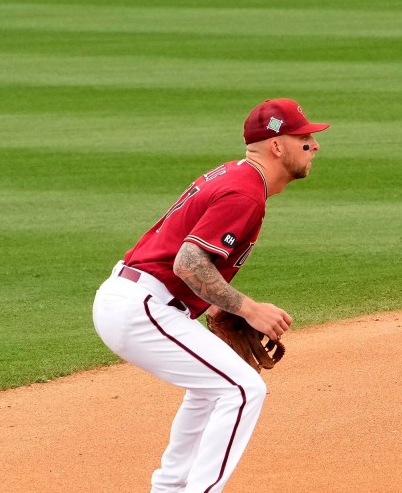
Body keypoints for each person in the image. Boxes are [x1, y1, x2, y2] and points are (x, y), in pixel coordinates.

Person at [92, 98, 329, 493]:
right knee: (242, 389)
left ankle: (171, 488)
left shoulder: (237, 176)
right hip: (142, 307)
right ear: (276, 146)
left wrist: (218, 304)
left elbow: (181, 259)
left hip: (137, 300)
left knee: (211, 389)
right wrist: (248, 308)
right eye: (303, 138)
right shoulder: (245, 192)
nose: (314, 145)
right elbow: (188, 262)